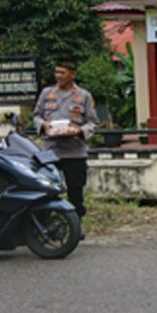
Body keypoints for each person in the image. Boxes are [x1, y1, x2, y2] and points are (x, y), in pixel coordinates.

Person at [33, 60, 98, 234]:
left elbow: (93, 122)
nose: (58, 76)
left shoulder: (84, 96)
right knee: (47, 190)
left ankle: (76, 228)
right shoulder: (47, 93)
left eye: (62, 73)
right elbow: (37, 116)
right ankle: (46, 226)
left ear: (72, 75)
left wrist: (78, 130)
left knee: (75, 192)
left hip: (74, 152)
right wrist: (44, 125)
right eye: (57, 72)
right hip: (50, 151)